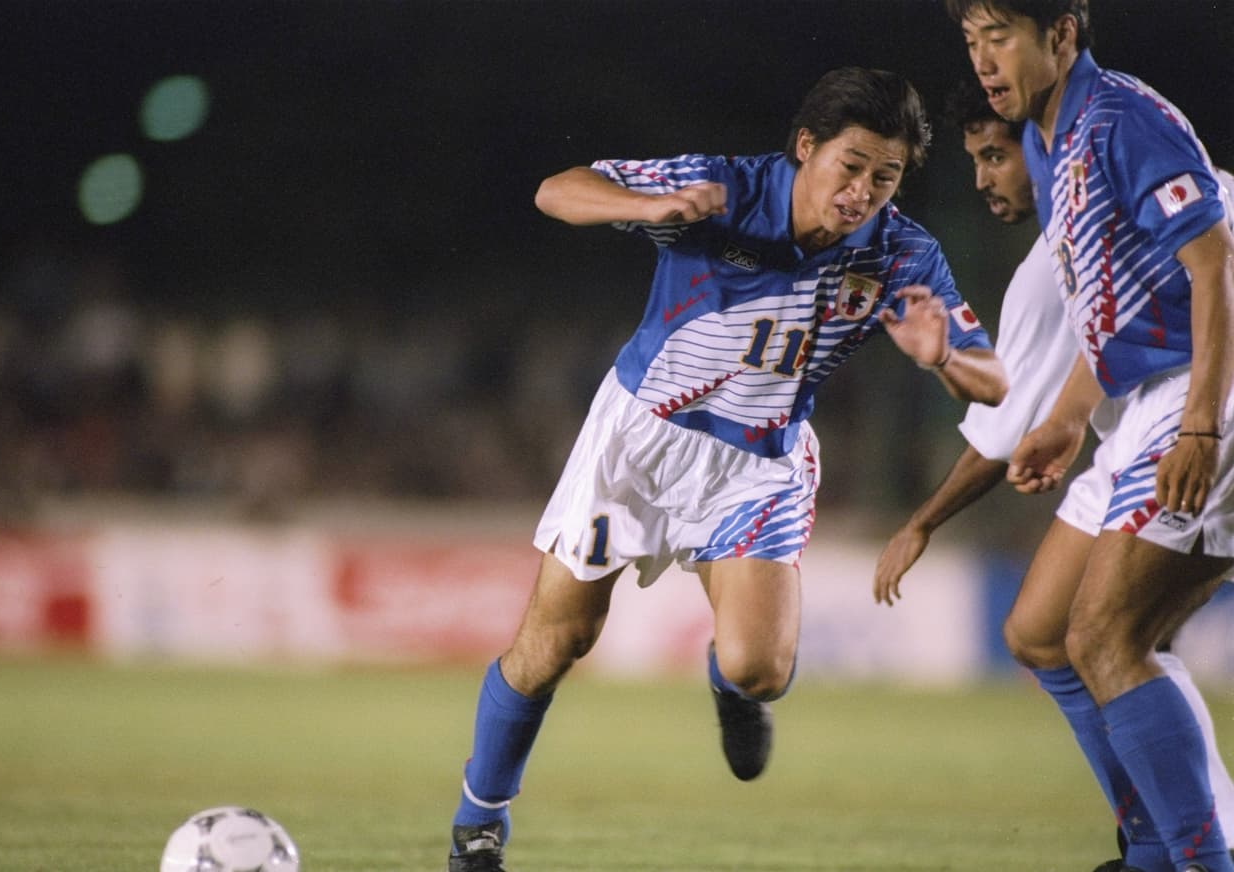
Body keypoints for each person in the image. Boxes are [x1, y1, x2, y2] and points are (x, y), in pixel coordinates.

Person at [443, 66, 1009, 872]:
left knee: (760, 667)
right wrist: (646, 208)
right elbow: (557, 191)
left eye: (886, 178)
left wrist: (946, 354)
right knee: (555, 643)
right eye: (851, 167)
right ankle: (479, 824)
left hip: (760, 463)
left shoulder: (900, 255)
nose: (865, 193)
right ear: (805, 148)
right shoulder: (724, 187)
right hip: (638, 440)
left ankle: (731, 691)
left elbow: (994, 381)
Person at [873, 77, 1234, 871]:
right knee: (1041, 632)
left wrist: (923, 521)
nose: (986, 178)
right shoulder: (1092, 196)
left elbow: (1004, 430)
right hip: (1149, 402)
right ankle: (1160, 844)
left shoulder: (1066, 235)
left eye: (995, 155)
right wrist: (1071, 418)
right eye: (975, 159)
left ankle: (1193, 856)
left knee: (1109, 637)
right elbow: (1104, 352)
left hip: (1206, 391)